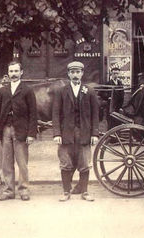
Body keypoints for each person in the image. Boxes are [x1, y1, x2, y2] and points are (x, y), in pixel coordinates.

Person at [52, 61, 99, 202]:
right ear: (68, 74)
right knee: (65, 163)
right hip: (66, 134)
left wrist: (95, 133)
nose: (75, 75)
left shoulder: (89, 91)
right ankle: (66, 192)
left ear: (82, 73)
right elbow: (55, 114)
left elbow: (95, 114)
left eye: (78, 72)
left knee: (84, 164)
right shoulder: (61, 91)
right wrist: (57, 133)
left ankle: (84, 192)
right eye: (72, 72)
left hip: (84, 133)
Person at [0, 61, 37, 201]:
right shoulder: (3, 90)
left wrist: (31, 134)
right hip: (5, 130)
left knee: (22, 162)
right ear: (8, 73)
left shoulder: (27, 90)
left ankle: (23, 189)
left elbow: (33, 114)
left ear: (21, 72)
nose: (13, 74)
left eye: (16, 71)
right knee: (6, 162)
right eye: (11, 71)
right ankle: (8, 190)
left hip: (21, 131)